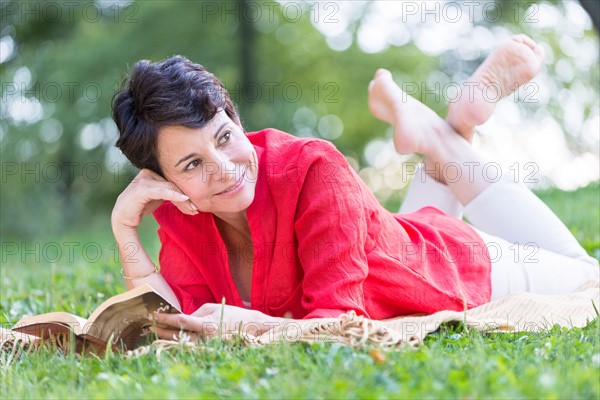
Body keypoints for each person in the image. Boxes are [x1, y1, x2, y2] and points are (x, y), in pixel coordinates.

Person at [110, 35, 599, 340]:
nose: (223, 168)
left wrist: (260, 328)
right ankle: (447, 130)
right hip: (399, 242)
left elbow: (338, 322)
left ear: (237, 121)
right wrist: (124, 225)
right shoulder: (179, 214)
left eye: (224, 137)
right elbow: (171, 321)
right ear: (162, 180)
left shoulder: (312, 168)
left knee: (588, 274)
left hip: (461, 266)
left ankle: (438, 135)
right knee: (400, 239)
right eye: (192, 163)